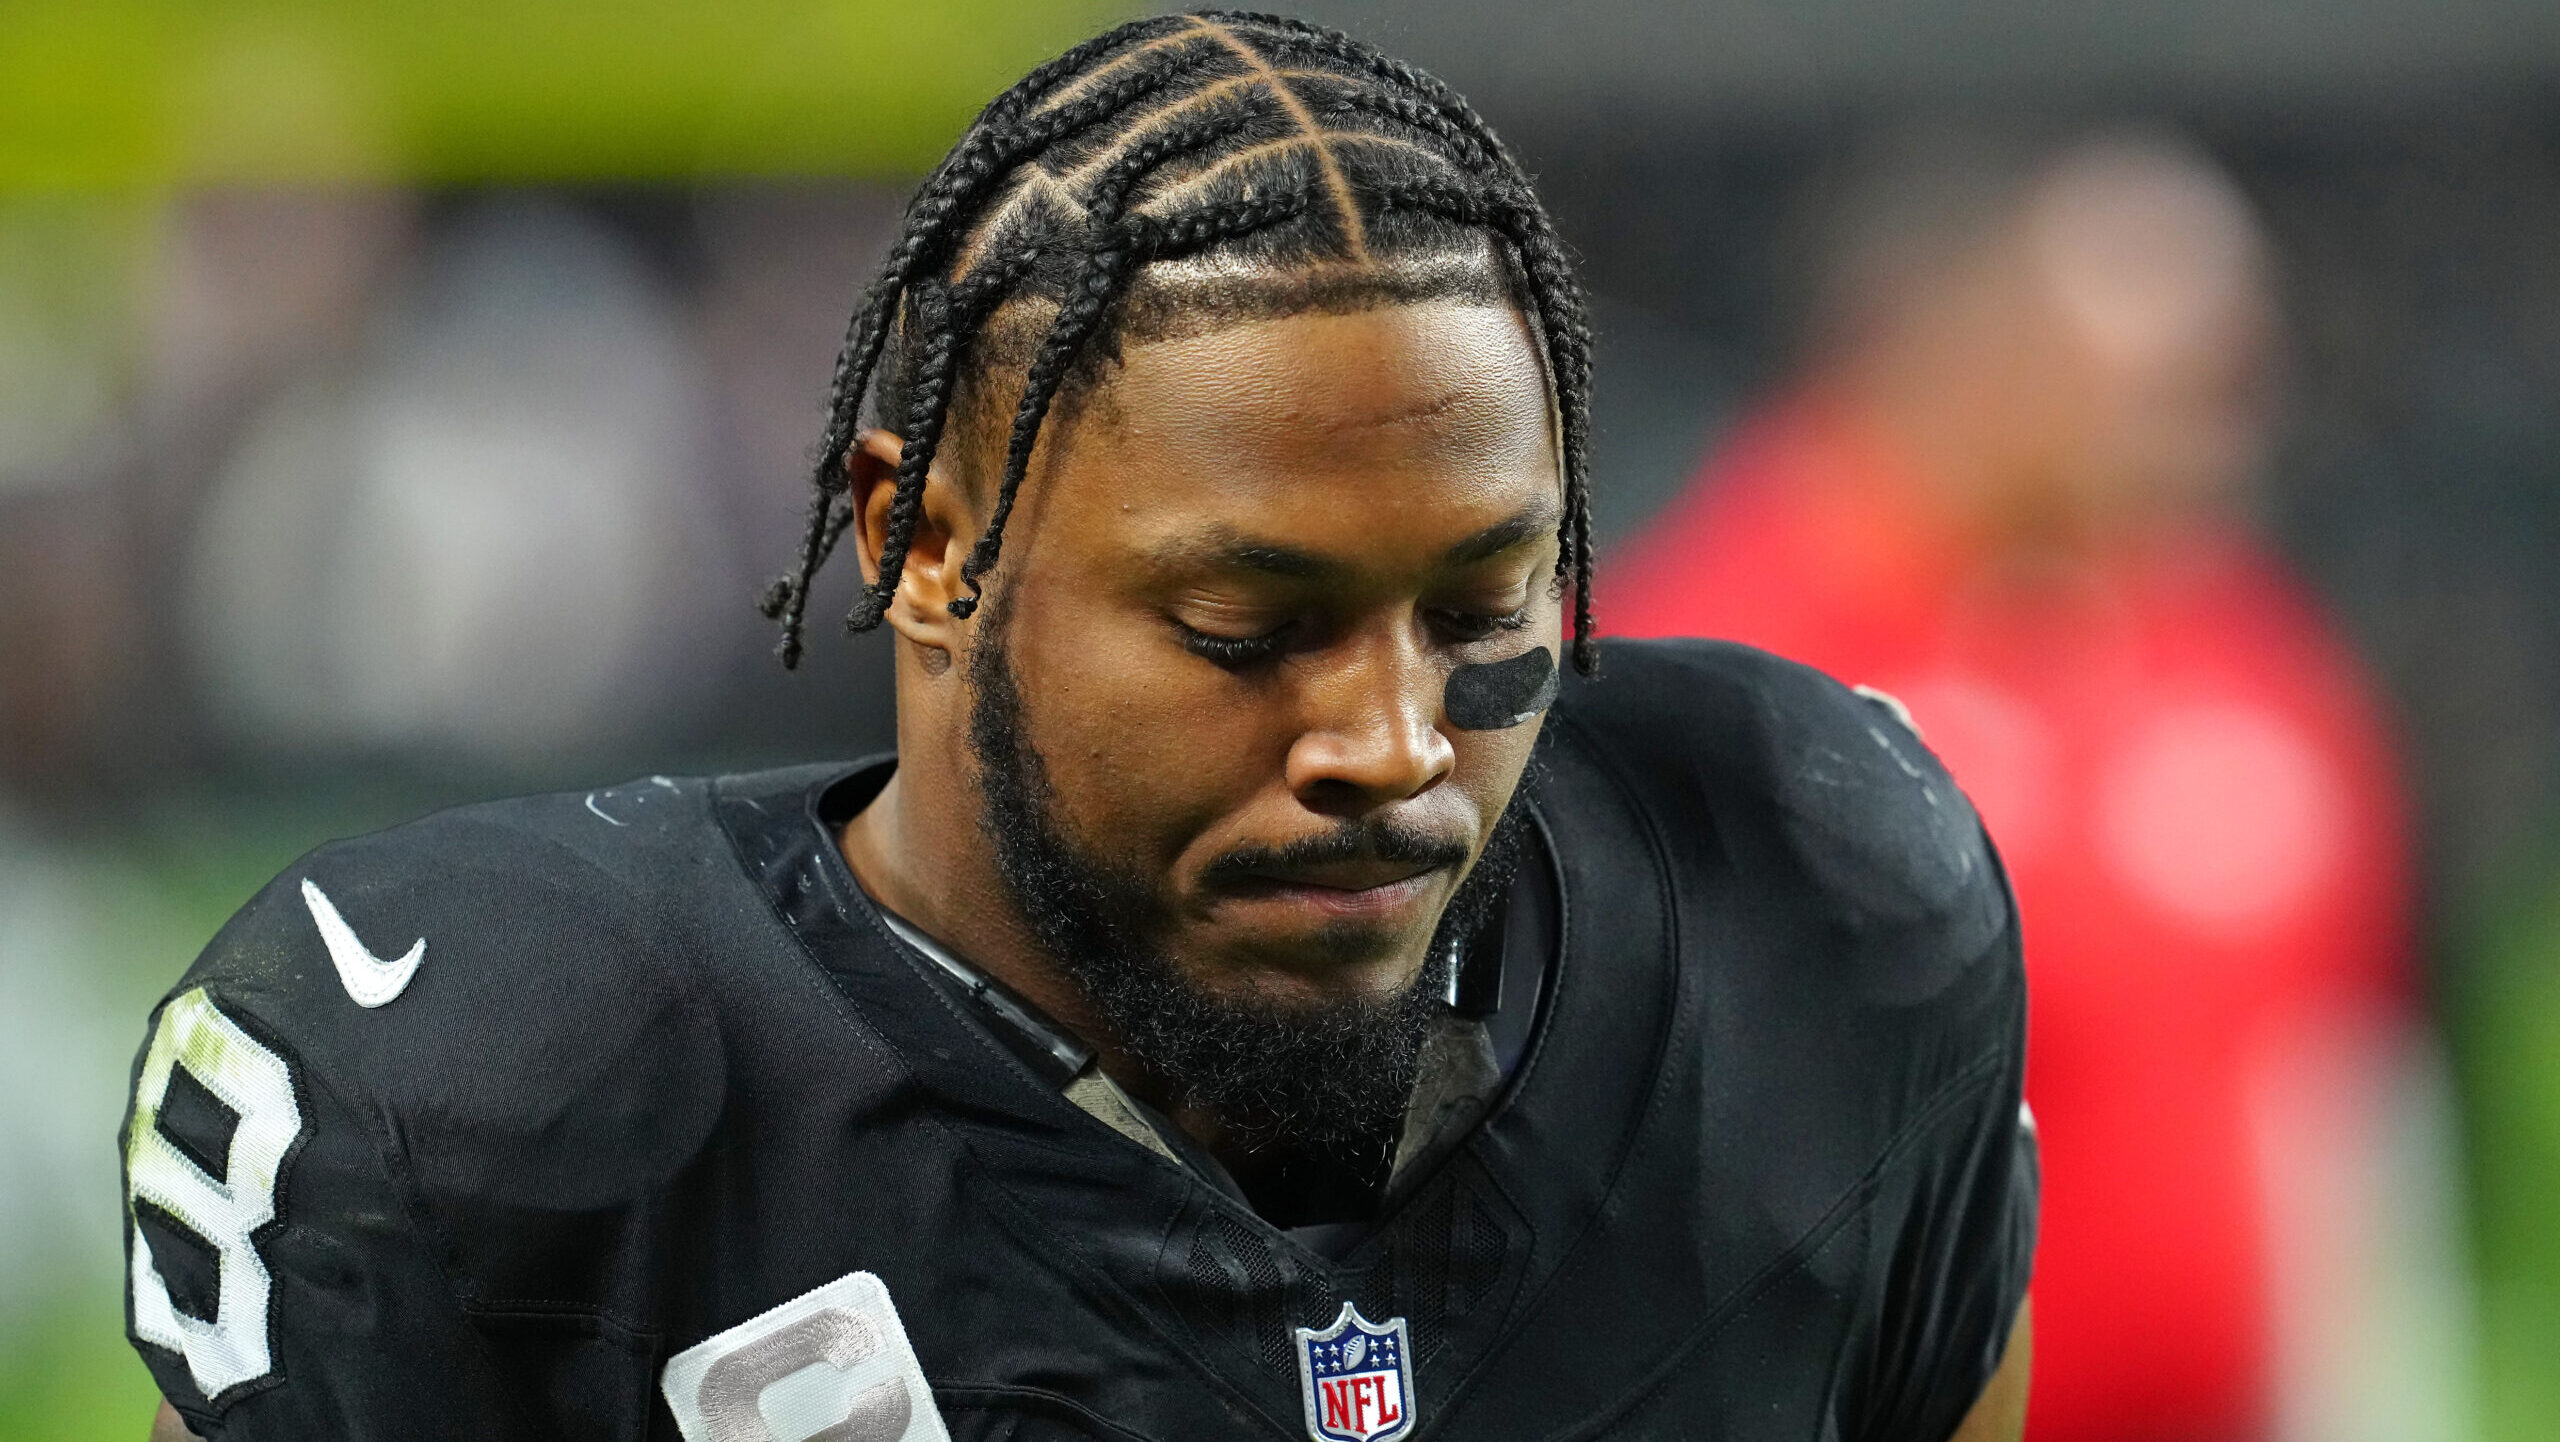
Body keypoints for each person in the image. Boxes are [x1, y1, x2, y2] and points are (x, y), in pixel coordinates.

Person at [123, 17, 2035, 1441]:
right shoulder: (516, 1094)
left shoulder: (1813, 900)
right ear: (923, 543)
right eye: (1246, 626)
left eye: (1479, 607)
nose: (1393, 738)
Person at [1603, 133, 2411, 1441]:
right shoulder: (1725, 656)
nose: (2225, 422)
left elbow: (2328, 1096)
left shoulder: (2246, 648)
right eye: (2169, 377)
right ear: (1970, 350)